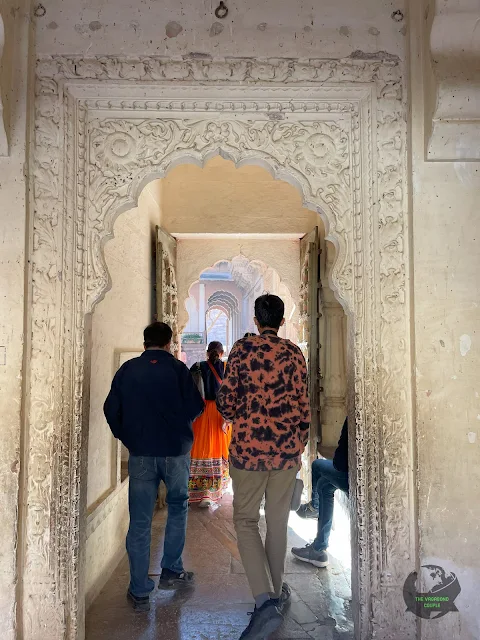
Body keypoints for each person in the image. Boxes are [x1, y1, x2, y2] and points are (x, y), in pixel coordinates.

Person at [217, 294, 310, 640]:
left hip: (249, 453)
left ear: (256, 320)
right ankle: (277, 590)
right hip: (285, 453)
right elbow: (303, 406)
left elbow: (226, 400)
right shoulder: (294, 354)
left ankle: (264, 601)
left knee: (245, 521)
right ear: (281, 321)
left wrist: (241, 413)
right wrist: (299, 444)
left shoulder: (242, 351)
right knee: (277, 522)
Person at [103, 322, 204, 612]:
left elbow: (111, 409)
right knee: (177, 507)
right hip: (175, 452)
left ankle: (139, 589)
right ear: (169, 343)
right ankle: (171, 571)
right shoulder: (177, 370)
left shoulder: (128, 370)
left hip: (142, 454)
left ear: (145, 342)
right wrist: (178, 427)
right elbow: (196, 407)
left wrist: (128, 435)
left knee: (140, 520)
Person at [291, 417, 349, 568]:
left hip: (351, 477)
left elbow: (340, 463)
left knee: (317, 465)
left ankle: (315, 508)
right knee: (324, 485)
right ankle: (318, 548)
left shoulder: (355, 415)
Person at [188, 341, 231, 508]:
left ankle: (199, 492)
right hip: (220, 415)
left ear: (207, 353)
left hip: (201, 413)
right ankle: (213, 491)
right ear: (221, 353)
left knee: (200, 449)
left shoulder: (197, 367)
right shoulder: (228, 367)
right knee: (218, 450)